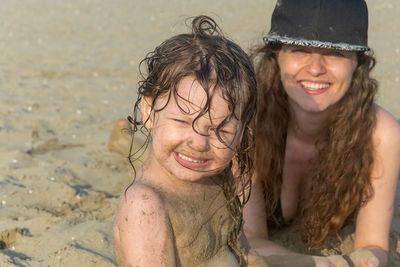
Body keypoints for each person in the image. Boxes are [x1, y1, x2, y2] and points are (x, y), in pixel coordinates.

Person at [244, 0, 400, 266]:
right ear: (276, 56)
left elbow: (372, 245)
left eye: (335, 52)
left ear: (357, 64)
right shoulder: (248, 123)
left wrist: (365, 260)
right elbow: (250, 243)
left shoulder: (381, 134)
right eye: (299, 49)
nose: (316, 68)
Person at [113, 15, 269, 267]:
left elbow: (245, 255)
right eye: (183, 122)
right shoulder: (145, 205)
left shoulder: (219, 178)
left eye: (220, 130)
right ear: (149, 112)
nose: (198, 143)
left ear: (243, 131)